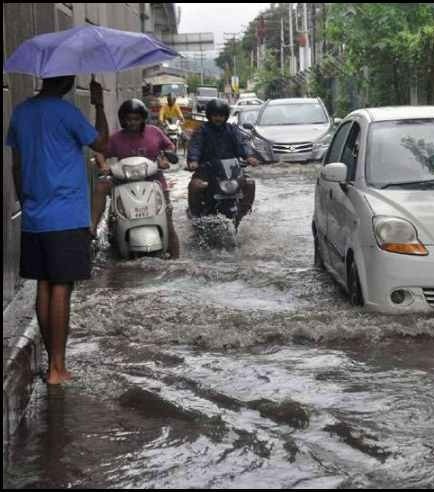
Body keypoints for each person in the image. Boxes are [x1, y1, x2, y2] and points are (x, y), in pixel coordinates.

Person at [6, 75, 109, 385]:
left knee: (44, 284)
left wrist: (26, 200)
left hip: (35, 215)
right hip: (66, 214)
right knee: (61, 285)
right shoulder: (66, 113)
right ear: (65, 81)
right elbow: (102, 143)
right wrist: (99, 103)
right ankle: (57, 368)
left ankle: (54, 362)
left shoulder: (21, 112)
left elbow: (16, 164)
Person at [91, 98, 181, 258]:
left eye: (136, 119)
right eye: (129, 119)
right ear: (123, 120)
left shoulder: (155, 133)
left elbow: (169, 147)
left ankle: (176, 260)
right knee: (100, 186)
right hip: (122, 182)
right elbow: (100, 152)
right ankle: (92, 228)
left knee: (168, 223)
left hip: (154, 181)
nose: (132, 123)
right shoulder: (116, 138)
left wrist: (165, 159)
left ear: (143, 119)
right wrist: (103, 164)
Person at [186, 99, 258, 218]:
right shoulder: (202, 130)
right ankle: (196, 214)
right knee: (196, 186)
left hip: (232, 171)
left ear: (226, 116)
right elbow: (195, 145)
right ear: (209, 115)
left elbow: (242, 143)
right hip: (206, 171)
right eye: (215, 115)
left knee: (249, 184)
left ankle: (243, 212)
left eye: (221, 115)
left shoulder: (232, 130)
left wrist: (249, 156)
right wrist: (193, 160)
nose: (218, 118)